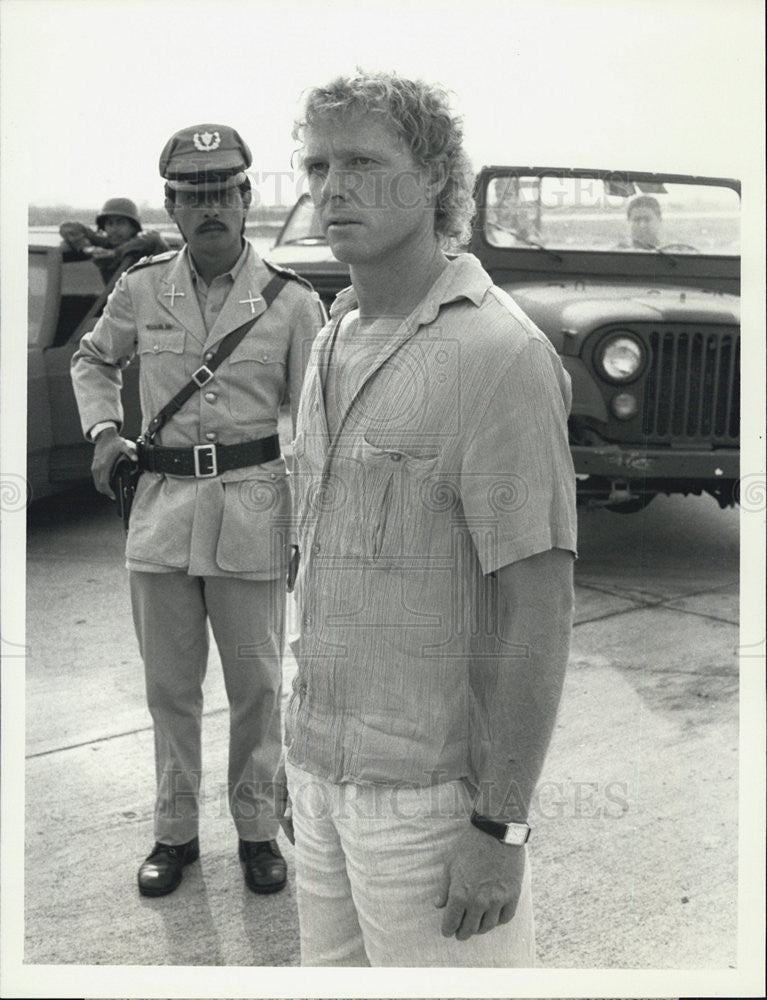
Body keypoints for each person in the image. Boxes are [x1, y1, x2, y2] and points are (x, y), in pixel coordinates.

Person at [276, 71, 577, 966]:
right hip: (322, 782)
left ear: (436, 180)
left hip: (434, 803)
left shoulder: (495, 353)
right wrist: (304, 764)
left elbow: (537, 609)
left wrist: (502, 826)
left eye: (366, 161)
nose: (334, 188)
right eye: (319, 164)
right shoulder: (332, 337)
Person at [70, 124, 325, 898]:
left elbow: (317, 421)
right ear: (173, 209)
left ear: (246, 200)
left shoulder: (290, 301)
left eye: (223, 192)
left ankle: (256, 834)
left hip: (252, 511)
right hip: (161, 513)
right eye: (192, 196)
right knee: (169, 690)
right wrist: (105, 428)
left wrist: (311, 528)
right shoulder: (143, 288)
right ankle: (174, 835)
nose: (209, 208)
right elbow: (93, 357)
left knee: (255, 688)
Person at [60, 197, 169, 285]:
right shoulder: (105, 243)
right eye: (110, 224)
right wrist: (87, 248)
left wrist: (115, 253)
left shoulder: (145, 247)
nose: (114, 229)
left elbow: (154, 237)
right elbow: (68, 227)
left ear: (133, 227)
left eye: (121, 223)